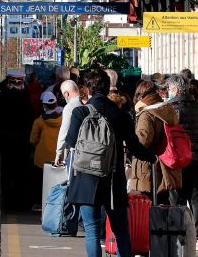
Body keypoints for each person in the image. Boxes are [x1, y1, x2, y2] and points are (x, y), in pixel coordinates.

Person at [65, 69, 157, 257]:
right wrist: (152, 157)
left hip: (86, 178)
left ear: (86, 89)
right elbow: (134, 146)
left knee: (91, 230)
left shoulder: (80, 112)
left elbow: (71, 141)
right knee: (120, 229)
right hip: (113, 180)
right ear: (108, 88)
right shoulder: (120, 115)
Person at [167, 74, 198, 250]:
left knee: (178, 196)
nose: (168, 92)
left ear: (176, 90)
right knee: (195, 195)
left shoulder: (172, 108)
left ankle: (182, 234)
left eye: (169, 89)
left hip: (180, 157)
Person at [129, 81, 182, 205]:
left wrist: (129, 143)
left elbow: (143, 140)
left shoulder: (146, 114)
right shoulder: (166, 109)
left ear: (140, 96)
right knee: (162, 203)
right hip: (166, 162)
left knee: (148, 205)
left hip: (148, 166)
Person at [0, 70, 35, 209]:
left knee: (6, 170)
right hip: (22, 141)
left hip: (5, 141)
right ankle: (20, 200)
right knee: (21, 171)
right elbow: (31, 120)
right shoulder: (26, 99)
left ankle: (7, 199)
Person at [30, 91, 63, 208]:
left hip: (41, 159)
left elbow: (33, 140)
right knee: (57, 182)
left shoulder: (39, 122)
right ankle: (55, 205)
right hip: (58, 158)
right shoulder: (63, 119)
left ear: (44, 106)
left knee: (39, 182)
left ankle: (39, 203)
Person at [54, 80, 83, 167]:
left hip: (74, 151)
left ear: (66, 94)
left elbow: (64, 132)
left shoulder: (69, 107)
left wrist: (58, 154)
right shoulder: (86, 101)